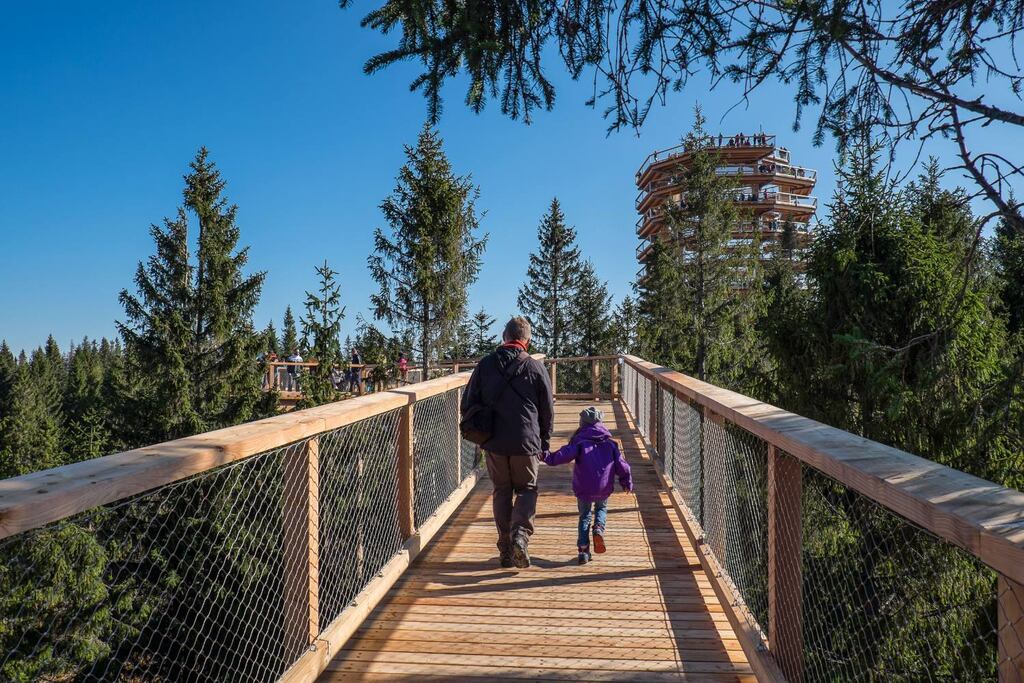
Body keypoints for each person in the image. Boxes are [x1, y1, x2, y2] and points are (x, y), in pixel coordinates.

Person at [461, 316, 553, 569]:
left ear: (504, 336)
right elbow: (547, 408)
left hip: (494, 441)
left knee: (501, 490)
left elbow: (467, 403)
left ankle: (504, 549)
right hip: (526, 440)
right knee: (527, 489)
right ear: (527, 340)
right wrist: (544, 441)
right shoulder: (534, 367)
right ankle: (520, 537)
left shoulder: (486, 365)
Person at [541, 407, 633, 565]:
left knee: (584, 516)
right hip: (603, 487)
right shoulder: (610, 444)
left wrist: (546, 456)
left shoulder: (579, 442)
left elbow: (563, 455)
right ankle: (598, 528)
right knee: (601, 509)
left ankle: (583, 551)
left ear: (582, 423)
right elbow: (623, 466)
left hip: (583, 487)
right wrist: (626, 482)